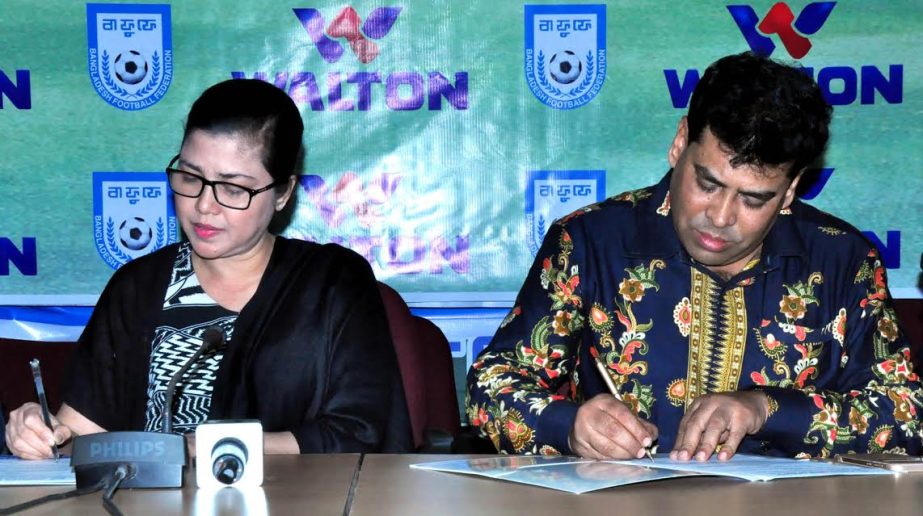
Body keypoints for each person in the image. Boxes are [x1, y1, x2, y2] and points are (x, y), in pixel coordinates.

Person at [466, 52, 923, 461]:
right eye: (707, 183)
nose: (721, 217)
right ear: (680, 143)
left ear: (791, 190)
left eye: (754, 199)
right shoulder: (591, 242)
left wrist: (767, 409)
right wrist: (568, 426)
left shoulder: (842, 260)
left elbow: (906, 415)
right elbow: (491, 386)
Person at [5, 79, 412, 458]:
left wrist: (215, 447)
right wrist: (42, 436)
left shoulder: (332, 283)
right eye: (190, 176)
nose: (204, 204)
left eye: (233, 188)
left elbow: (361, 432)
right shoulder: (139, 286)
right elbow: (84, 437)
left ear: (284, 192)